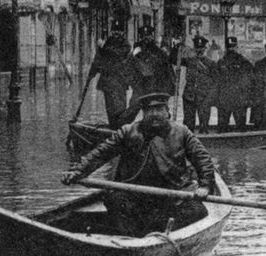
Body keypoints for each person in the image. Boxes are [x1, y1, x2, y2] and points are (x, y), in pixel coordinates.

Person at [60, 91, 218, 236]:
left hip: (172, 195)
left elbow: (202, 158)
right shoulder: (128, 132)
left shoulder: (182, 132)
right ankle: (132, 238)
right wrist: (79, 171)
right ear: (143, 113)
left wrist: (205, 185)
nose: (154, 114)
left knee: (197, 211)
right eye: (150, 110)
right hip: (134, 195)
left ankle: (164, 235)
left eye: (159, 109)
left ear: (167, 111)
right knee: (115, 200)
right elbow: (101, 154)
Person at [87, 30, 139, 129]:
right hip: (107, 82)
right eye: (114, 31)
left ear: (122, 33)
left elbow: (118, 53)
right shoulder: (108, 42)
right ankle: (113, 128)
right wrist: (92, 74)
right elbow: (99, 60)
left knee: (119, 108)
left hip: (119, 82)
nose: (116, 34)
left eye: (118, 31)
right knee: (110, 108)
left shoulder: (125, 44)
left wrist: (103, 48)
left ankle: (119, 129)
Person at [214, 37, 254, 128]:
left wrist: (247, 97)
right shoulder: (221, 63)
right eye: (229, 47)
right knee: (222, 127)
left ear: (236, 47)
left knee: (241, 127)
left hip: (239, 100)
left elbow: (250, 80)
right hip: (224, 99)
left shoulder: (244, 62)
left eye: (233, 47)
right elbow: (216, 82)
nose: (231, 49)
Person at [180, 36, 216, 129]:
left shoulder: (210, 63)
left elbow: (214, 82)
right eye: (197, 49)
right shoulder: (189, 60)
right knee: (188, 125)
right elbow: (173, 58)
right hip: (189, 95)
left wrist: (210, 97)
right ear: (194, 49)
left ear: (205, 49)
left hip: (204, 96)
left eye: (201, 49)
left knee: (204, 126)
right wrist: (181, 47)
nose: (199, 51)